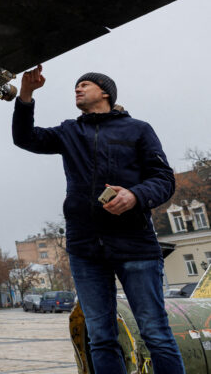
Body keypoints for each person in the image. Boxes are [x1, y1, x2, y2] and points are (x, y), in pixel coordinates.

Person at [12, 66, 185, 374]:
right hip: (85, 248)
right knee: (101, 337)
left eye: (85, 85)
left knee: (156, 334)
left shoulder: (138, 129)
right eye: (76, 86)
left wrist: (134, 195)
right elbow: (25, 138)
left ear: (105, 92)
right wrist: (26, 95)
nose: (77, 89)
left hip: (135, 246)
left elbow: (163, 179)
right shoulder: (69, 131)